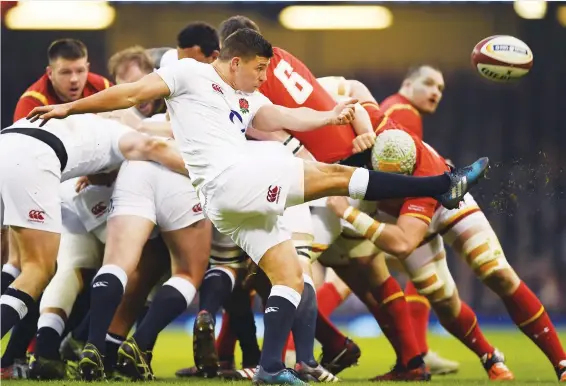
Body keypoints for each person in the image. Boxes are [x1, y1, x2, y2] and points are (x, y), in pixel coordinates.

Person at [27, 28, 488, 385]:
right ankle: (442, 183)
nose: (266, 77)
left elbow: (286, 117)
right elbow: (130, 94)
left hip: (232, 202)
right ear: (234, 62)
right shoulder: (189, 74)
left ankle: (270, 368)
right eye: (260, 68)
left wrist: (330, 116)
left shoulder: (247, 97)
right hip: (234, 180)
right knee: (337, 177)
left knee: (290, 276)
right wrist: (71, 109)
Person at [0, 113, 187, 341]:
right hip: (35, 159)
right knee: (38, 270)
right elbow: (152, 145)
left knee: (15, 262)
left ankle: (10, 360)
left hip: (7, 142)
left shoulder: (85, 125)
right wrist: (207, 176)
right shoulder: (119, 133)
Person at [13, 39, 111, 122]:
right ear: (50, 73)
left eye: (80, 71)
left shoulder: (103, 87)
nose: (74, 79)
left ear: (88, 68)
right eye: (65, 72)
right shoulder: (32, 103)